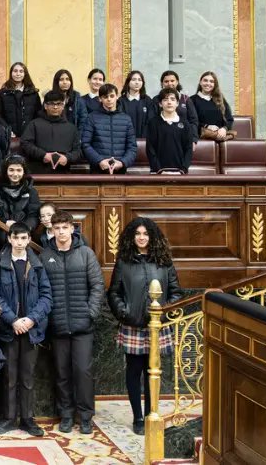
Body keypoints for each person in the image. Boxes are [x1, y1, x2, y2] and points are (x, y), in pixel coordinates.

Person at [108, 218, 183, 436]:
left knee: (153, 372)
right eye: (138, 234)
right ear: (132, 237)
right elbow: (114, 292)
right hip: (133, 325)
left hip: (157, 325)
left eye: (146, 234)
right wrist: (124, 312)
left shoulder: (164, 261)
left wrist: (164, 311)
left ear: (153, 237)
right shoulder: (124, 261)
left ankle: (152, 412)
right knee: (134, 371)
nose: (142, 237)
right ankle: (138, 417)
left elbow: (176, 292)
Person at [40, 210, 104, 435]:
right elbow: (42, 290)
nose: (61, 232)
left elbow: (97, 285)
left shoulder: (86, 253)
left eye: (65, 227)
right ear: (52, 230)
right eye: (56, 228)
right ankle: (66, 415)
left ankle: (85, 417)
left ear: (72, 229)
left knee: (83, 372)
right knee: (62, 372)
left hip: (82, 326)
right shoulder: (46, 255)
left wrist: (90, 312)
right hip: (57, 326)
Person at [0, 224, 52, 438]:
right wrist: (13, 320)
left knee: (27, 376)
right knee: (9, 376)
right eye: (16, 238)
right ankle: (8, 418)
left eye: (24, 238)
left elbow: (46, 296)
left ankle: (27, 418)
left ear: (28, 239)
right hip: (9, 329)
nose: (20, 242)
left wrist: (31, 319)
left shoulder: (37, 263)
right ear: (9, 239)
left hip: (31, 329)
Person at [20, 90, 82, 173]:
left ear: (63, 106)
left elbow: (78, 151)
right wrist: (43, 155)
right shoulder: (34, 124)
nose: (55, 107)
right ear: (45, 106)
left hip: (64, 173)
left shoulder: (71, 128)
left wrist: (67, 158)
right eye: (52, 103)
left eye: (59, 104)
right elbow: (25, 143)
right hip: (38, 171)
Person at [81, 83, 137, 174]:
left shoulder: (126, 119)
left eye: (112, 96)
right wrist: (99, 161)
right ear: (100, 99)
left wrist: (122, 162)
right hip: (98, 169)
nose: (109, 99)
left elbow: (132, 147)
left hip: (120, 169)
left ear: (117, 97)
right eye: (105, 96)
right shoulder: (91, 117)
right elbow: (85, 144)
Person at [0, 154, 41, 250]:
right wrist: (4, 222)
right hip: (0, 237)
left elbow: (34, 216)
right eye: (11, 170)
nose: (15, 174)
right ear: (6, 171)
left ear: (24, 172)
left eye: (19, 170)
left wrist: (21, 229)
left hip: (22, 238)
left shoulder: (31, 191)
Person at [146, 88, 195, 173]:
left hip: (180, 172)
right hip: (158, 172)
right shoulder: (153, 123)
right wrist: (159, 170)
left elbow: (189, 149)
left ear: (177, 103)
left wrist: (183, 169)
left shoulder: (185, 124)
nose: (169, 102)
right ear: (160, 104)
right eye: (165, 99)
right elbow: (150, 149)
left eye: (172, 99)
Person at [0, 62, 41, 137]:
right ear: (11, 73)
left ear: (25, 74)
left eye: (21, 71)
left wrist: (32, 130)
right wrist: (7, 130)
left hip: (29, 134)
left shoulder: (33, 93)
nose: (18, 74)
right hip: (8, 135)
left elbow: (38, 114)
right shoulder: (3, 93)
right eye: (15, 71)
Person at [155, 71, 199, 143]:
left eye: (172, 81)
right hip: (162, 138)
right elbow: (152, 120)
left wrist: (193, 139)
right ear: (162, 83)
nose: (169, 84)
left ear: (177, 82)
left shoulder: (186, 99)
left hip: (184, 138)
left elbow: (193, 121)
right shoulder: (156, 99)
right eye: (166, 81)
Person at [190, 71, 235, 141]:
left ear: (215, 84)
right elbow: (191, 121)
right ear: (200, 82)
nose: (208, 83)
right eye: (205, 80)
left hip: (221, 137)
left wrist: (224, 129)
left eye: (211, 81)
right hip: (201, 138)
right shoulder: (191, 100)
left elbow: (229, 119)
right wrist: (207, 126)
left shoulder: (221, 99)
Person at [118, 70, 153, 138]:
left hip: (144, 140)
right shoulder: (121, 101)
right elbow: (120, 122)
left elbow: (150, 121)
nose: (137, 82)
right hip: (125, 139)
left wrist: (143, 138)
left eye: (139, 80)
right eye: (134, 79)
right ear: (128, 82)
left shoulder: (147, 100)